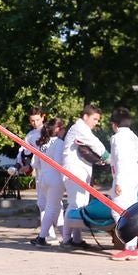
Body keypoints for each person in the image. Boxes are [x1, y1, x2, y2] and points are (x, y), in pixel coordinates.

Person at [60, 104, 106, 249]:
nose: (96, 122)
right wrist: (108, 156)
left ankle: (77, 240)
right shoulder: (79, 128)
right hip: (74, 171)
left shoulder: (83, 129)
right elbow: (95, 144)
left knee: (81, 205)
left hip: (80, 170)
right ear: (85, 116)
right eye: (94, 119)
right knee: (75, 204)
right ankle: (66, 240)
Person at [108, 107, 138, 260]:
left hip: (124, 177)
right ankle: (132, 246)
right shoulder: (134, 137)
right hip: (133, 176)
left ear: (114, 124)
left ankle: (130, 246)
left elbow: (120, 159)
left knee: (118, 211)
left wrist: (119, 182)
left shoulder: (118, 138)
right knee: (129, 210)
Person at [31, 117, 66, 246]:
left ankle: (66, 236)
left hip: (43, 178)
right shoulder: (59, 143)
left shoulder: (42, 144)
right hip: (55, 178)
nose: (64, 131)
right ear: (57, 129)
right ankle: (41, 237)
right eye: (62, 128)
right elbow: (58, 162)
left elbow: (35, 163)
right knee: (52, 208)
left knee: (57, 209)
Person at [20, 108, 46, 174]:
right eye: (32, 121)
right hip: (39, 170)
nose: (35, 123)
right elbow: (25, 152)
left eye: (37, 120)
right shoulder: (29, 136)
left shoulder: (49, 131)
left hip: (52, 166)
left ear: (42, 118)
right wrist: (27, 165)